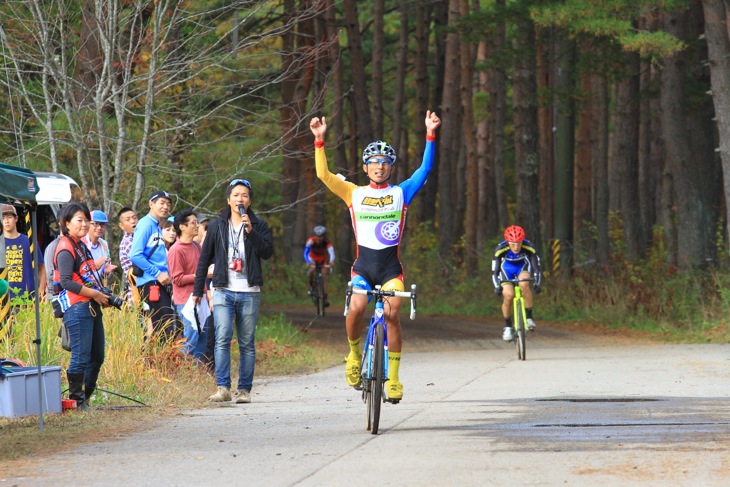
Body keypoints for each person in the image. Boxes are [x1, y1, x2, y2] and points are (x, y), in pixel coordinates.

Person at [309, 110, 441, 402]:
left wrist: (430, 135)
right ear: (365, 168)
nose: (379, 167)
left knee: (393, 314)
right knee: (356, 307)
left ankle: (393, 379)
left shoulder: (401, 193)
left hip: (391, 269)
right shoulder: (353, 193)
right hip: (363, 268)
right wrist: (319, 141)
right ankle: (354, 354)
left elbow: (425, 170)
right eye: (373, 163)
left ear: (391, 168)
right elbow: (323, 175)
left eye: (384, 162)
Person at [193, 179, 273, 404]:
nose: (240, 199)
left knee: (246, 342)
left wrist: (251, 232)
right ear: (228, 199)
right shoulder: (217, 225)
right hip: (222, 289)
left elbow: (267, 252)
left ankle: (244, 390)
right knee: (222, 338)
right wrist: (197, 290)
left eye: (245, 195)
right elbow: (204, 260)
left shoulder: (259, 224)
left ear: (250, 201)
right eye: (236, 195)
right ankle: (223, 388)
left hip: (249, 291)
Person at [54, 202, 110, 409]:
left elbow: (87, 277)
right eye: (80, 220)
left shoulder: (81, 246)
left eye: (87, 220)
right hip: (77, 308)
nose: (85, 224)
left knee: (97, 356)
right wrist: (94, 293)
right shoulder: (65, 248)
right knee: (81, 356)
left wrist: (101, 295)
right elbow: (67, 281)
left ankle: (85, 397)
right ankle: (76, 401)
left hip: (91, 306)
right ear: (66, 223)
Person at [130, 190, 176, 339]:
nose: (165, 207)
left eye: (168, 204)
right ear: (151, 204)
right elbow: (135, 255)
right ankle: (156, 360)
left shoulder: (156, 225)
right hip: (151, 281)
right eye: (161, 203)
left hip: (158, 281)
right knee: (164, 326)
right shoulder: (145, 224)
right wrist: (157, 273)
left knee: (161, 325)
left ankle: (154, 360)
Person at [492, 225, 542, 342]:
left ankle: (529, 317)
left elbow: (536, 268)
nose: (516, 247)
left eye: (518, 243)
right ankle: (508, 326)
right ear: (507, 242)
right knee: (508, 295)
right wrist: (497, 286)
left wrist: (537, 283)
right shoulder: (500, 248)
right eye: (512, 244)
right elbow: (495, 271)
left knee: (524, 284)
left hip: (522, 267)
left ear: (522, 241)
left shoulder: (529, 246)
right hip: (507, 269)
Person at [167, 209, 204, 356]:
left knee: (202, 338)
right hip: (185, 300)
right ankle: (180, 369)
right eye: (194, 223)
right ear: (182, 227)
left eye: (197, 222)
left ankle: (197, 373)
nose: (197, 226)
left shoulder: (196, 246)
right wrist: (200, 275)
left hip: (200, 298)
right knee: (191, 337)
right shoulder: (176, 250)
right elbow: (177, 279)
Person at [1, 204, 44, 324]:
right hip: (4, 300)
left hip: (27, 298)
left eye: (9, 217)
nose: (6, 221)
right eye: (3, 218)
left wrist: (41, 290)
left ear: (16, 218)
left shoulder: (28, 241)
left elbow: (41, 267)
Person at [303, 225, 335, 306]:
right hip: (312, 258)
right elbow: (305, 253)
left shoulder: (327, 242)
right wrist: (307, 261)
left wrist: (331, 261)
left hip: (322, 259)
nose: (318, 238)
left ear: (324, 236)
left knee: (324, 277)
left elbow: (331, 253)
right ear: (314, 235)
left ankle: (325, 298)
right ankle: (311, 286)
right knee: (312, 270)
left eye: (320, 236)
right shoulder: (310, 241)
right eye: (317, 236)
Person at [82, 210, 117, 283]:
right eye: (95, 224)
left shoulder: (104, 244)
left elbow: (102, 276)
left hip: (96, 287)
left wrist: (105, 272)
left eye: (102, 224)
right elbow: (77, 272)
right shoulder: (81, 243)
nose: (99, 228)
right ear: (88, 224)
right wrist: (94, 267)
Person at [117, 207, 138, 303]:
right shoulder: (128, 242)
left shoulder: (137, 238)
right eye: (128, 219)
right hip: (137, 292)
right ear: (121, 225)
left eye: (134, 218)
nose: (133, 221)